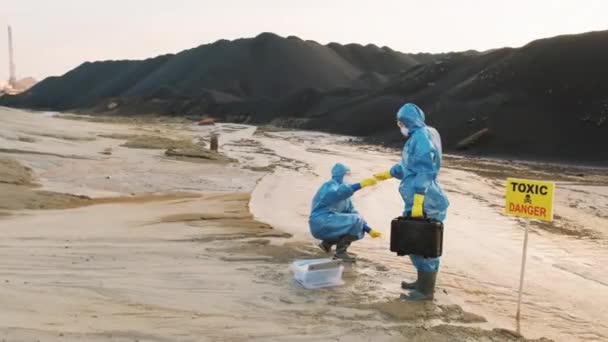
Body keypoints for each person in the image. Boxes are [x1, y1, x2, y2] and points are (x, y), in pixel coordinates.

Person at [374, 103, 449, 301]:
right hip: (421, 199)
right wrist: (388, 173)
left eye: (400, 122)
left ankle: (426, 291)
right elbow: (409, 167)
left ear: (407, 121)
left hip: (426, 201)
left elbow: (425, 170)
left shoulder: (422, 139)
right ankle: (421, 281)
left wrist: (418, 200)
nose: (400, 126)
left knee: (424, 244)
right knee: (417, 242)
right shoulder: (418, 137)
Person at [309, 163, 382, 262]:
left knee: (354, 221)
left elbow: (353, 213)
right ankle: (340, 253)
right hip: (320, 221)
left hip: (329, 223)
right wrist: (360, 185)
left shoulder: (346, 198)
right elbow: (338, 194)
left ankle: (326, 244)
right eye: (347, 174)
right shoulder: (329, 186)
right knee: (355, 221)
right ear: (340, 174)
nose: (348, 176)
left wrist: (369, 230)